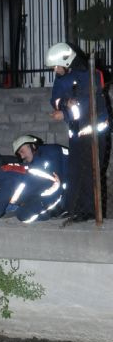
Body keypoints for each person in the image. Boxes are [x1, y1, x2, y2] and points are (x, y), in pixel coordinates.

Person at [45, 42, 109, 221]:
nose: (55, 70)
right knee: (73, 172)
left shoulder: (90, 75)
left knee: (90, 173)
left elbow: (88, 106)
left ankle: (88, 212)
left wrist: (64, 113)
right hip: (76, 134)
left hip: (94, 134)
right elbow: (55, 98)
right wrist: (64, 104)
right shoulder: (62, 77)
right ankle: (70, 207)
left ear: (66, 62)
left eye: (56, 66)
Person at [0, 153, 63, 225]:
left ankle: (50, 211)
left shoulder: (8, 179)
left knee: (23, 216)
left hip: (50, 193)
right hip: (31, 192)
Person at [12, 134, 69, 213]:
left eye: (22, 151)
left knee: (26, 214)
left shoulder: (50, 153)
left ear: (32, 146)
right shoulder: (40, 156)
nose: (22, 157)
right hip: (64, 193)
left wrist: (50, 207)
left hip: (71, 195)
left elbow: (56, 183)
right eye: (19, 154)